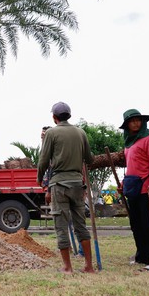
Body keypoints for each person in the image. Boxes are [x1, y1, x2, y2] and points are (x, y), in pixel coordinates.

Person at [37, 101, 95, 274]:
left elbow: (43, 160)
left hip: (59, 185)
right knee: (80, 225)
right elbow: (89, 159)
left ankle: (68, 267)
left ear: (54, 118)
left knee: (61, 225)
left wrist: (40, 179)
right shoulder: (81, 132)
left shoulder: (51, 133)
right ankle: (89, 266)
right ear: (69, 115)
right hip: (78, 184)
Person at [119, 109, 149, 271]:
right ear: (127, 125)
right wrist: (124, 184)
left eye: (138, 120)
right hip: (133, 190)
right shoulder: (129, 143)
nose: (136, 123)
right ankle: (142, 257)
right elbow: (132, 167)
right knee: (137, 225)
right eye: (132, 121)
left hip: (147, 189)